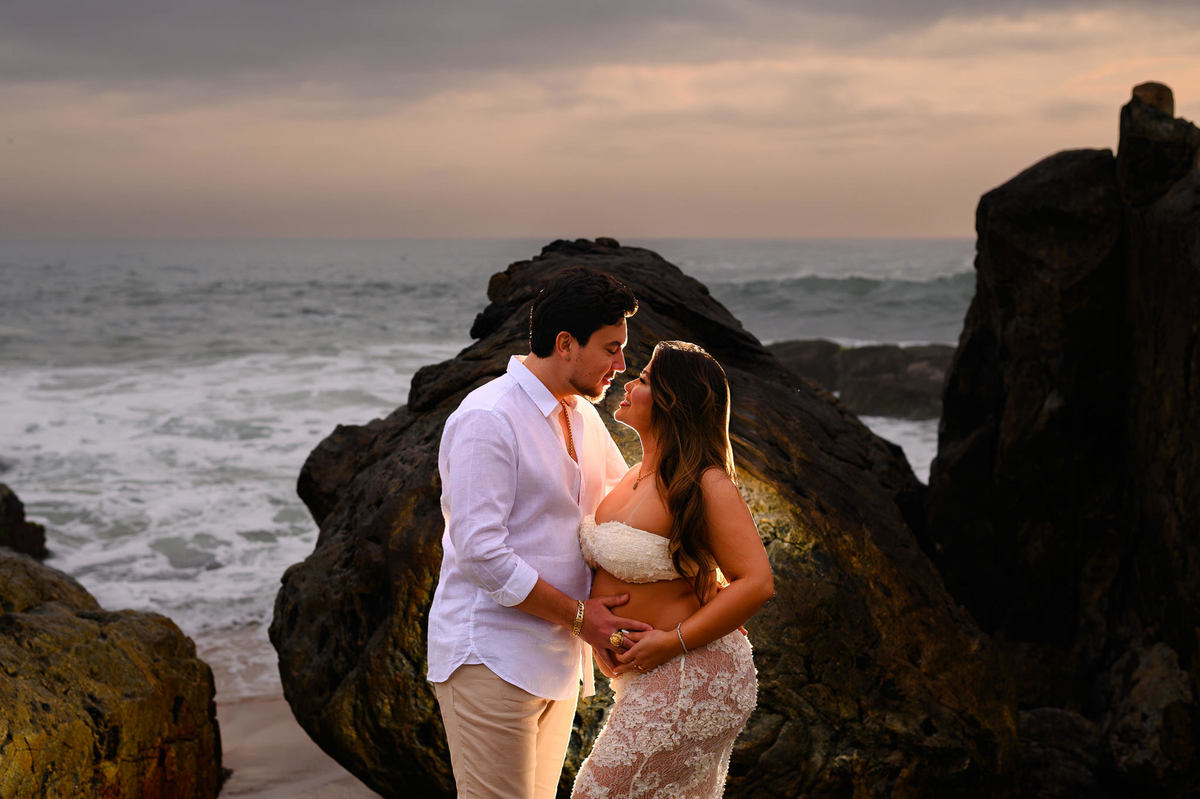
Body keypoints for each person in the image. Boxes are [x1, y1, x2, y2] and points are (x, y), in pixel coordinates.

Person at [426, 267, 653, 799]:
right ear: (566, 344)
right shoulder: (489, 418)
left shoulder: (583, 417)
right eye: (612, 348)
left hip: (558, 660)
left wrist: (708, 596)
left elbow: (626, 510)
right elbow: (481, 555)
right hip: (488, 657)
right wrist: (583, 618)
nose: (621, 365)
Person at [572, 341, 774, 799]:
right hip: (642, 677)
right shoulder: (632, 476)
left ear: (671, 401)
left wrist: (671, 641)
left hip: (692, 672)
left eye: (643, 380)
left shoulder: (706, 483)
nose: (628, 383)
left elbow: (757, 582)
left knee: (595, 793)